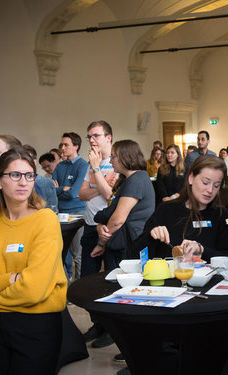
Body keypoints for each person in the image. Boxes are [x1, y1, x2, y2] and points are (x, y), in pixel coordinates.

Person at [0, 147, 67, 374]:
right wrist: (12, 278)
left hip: (36, 324)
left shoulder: (45, 220)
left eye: (29, 175)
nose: (23, 182)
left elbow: (33, 290)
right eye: (14, 175)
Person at [132, 154, 228, 260]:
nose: (210, 190)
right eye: (205, 182)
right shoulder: (166, 210)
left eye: (216, 185)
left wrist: (202, 250)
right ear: (191, 178)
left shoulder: (221, 215)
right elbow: (135, 253)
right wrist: (151, 236)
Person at [78, 121, 118, 348]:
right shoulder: (91, 163)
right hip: (89, 226)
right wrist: (98, 183)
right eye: (89, 136)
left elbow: (109, 194)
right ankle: (97, 324)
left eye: (96, 136)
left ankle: (112, 328)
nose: (92, 140)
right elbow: (82, 194)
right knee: (88, 278)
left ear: (108, 137)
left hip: (108, 229)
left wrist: (96, 172)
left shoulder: (114, 162)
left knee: (110, 279)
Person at [91, 140, 155, 263]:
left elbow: (118, 220)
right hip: (126, 241)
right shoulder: (130, 179)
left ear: (125, 157)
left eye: (113, 157)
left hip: (131, 244)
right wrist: (100, 226)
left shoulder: (136, 180)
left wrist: (101, 242)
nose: (110, 161)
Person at [52, 132, 88, 280]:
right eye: (61, 144)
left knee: (78, 255)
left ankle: (78, 290)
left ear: (76, 146)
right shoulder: (59, 166)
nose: (62, 147)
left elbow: (74, 193)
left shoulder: (83, 165)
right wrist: (62, 189)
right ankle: (64, 290)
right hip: (60, 214)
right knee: (62, 254)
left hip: (78, 213)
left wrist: (59, 189)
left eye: (66, 144)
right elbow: (51, 191)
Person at [22, 144, 58, 210]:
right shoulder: (14, 182)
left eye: (27, 159)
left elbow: (53, 208)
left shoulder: (47, 182)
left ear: (34, 162)